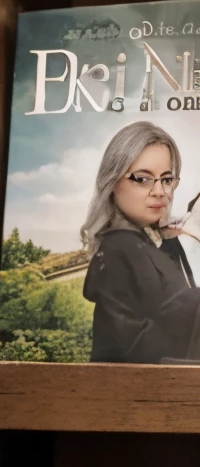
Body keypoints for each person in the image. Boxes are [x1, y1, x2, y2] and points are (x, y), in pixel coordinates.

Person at [81, 120, 200, 361]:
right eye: (142, 179)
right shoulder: (118, 247)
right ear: (113, 181)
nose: (160, 192)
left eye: (167, 180)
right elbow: (133, 352)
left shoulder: (162, 244)